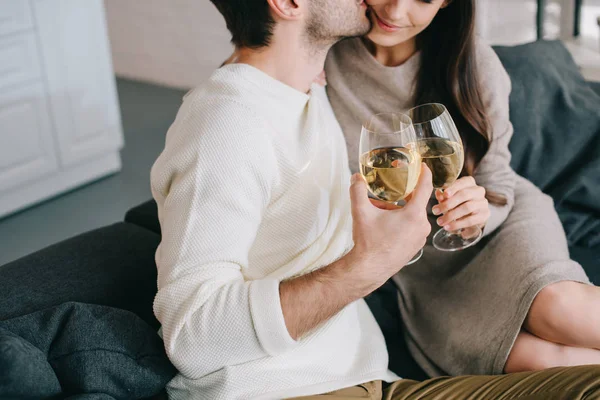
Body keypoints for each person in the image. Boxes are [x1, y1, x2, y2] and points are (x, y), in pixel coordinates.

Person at [151, 0, 600, 399]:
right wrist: (370, 264)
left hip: (385, 356)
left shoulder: (307, 86)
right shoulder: (233, 122)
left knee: (565, 320)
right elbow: (193, 334)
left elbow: (264, 58)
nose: (392, 9)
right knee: (546, 361)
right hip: (353, 338)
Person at [324, 0, 600, 378]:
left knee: (557, 306)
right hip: (423, 269)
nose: (396, 10)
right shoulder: (324, 53)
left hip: (502, 226)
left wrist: (479, 213)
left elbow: (499, 182)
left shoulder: (472, 62)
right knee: (539, 363)